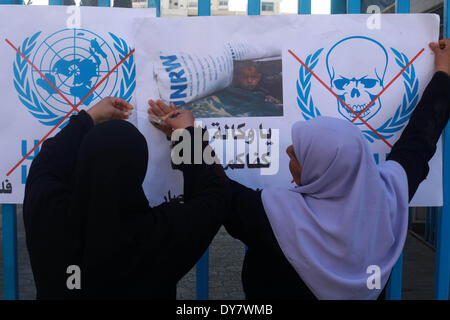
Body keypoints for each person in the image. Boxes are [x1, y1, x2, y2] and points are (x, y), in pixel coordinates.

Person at [149, 39, 450, 300]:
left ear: (323, 172)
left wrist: (184, 135)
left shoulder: (272, 216)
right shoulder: (388, 195)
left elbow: (213, 187)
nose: (289, 150)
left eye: (300, 153)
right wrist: (444, 73)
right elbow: (420, 139)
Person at [23, 97, 230, 299]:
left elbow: (46, 162)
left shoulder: (48, 216)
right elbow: (215, 192)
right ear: (139, 168)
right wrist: (187, 135)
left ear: (83, 160)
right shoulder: (159, 235)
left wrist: (88, 118)